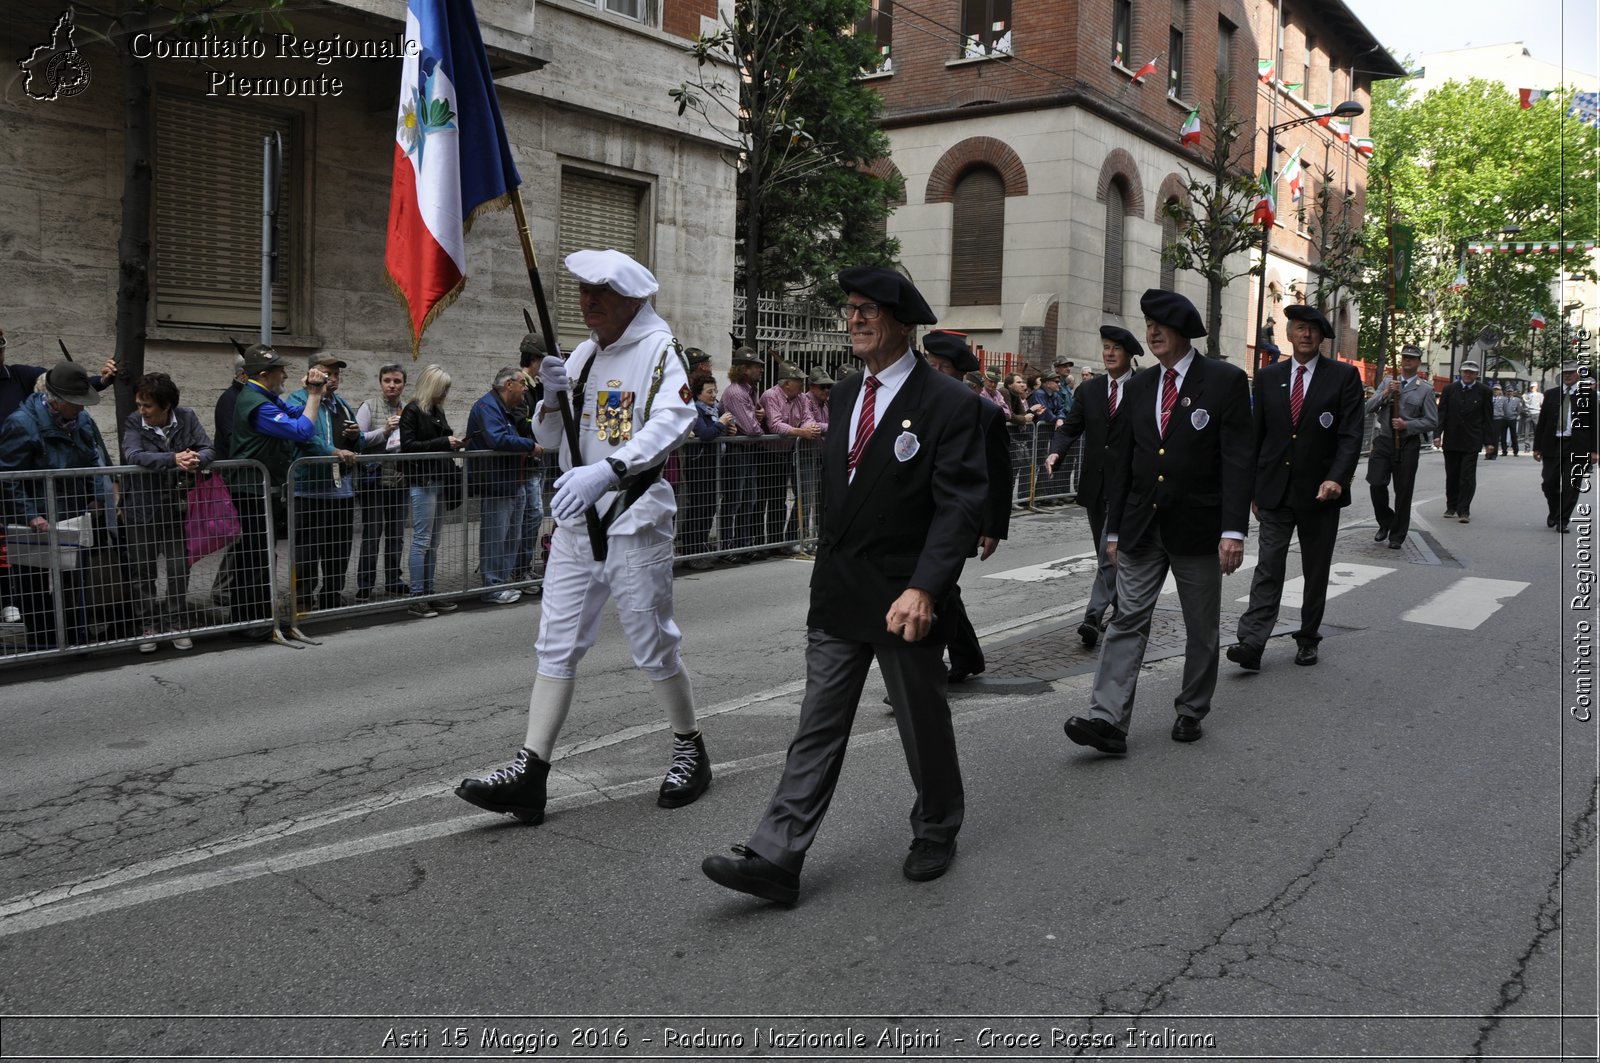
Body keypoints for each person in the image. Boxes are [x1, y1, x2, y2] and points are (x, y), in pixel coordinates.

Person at [701, 266, 986, 904]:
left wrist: (926, 588)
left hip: (903, 595)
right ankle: (777, 855)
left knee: (922, 721)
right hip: (839, 589)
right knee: (818, 723)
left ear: (903, 324)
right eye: (850, 309)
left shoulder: (949, 403)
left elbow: (959, 506)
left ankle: (938, 824)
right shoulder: (848, 391)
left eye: (869, 311)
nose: (854, 319)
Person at [455, 248, 711, 824]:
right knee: (556, 644)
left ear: (631, 299)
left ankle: (690, 745)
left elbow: (675, 421)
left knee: (652, 644)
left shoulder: (657, 351)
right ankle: (532, 769)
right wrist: (550, 395)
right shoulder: (585, 355)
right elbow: (549, 436)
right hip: (574, 524)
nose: (586, 303)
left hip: (631, 518)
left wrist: (610, 469)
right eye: (582, 292)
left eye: (600, 293)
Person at [1061, 289, 1252, 756]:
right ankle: (1107, 719)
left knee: (1201, 626)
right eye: (1148, 325)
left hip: (1198, 528)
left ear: (1183, 331)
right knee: (1127, 618)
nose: (1152, 333)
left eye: (1160, 326)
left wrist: (1233, 530)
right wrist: (1113, 529)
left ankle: (1191, 707)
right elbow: (1125, 461)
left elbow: (1238, 459)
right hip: (1142, 526)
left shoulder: (1224, 381)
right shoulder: (1141, 386)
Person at [1226, 304, 1363, 671]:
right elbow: (1257, 435)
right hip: (1275, 490)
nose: (1305, 335)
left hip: (1321, 493)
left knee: (1316, 570)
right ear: (1288, 333)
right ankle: (1252, 641)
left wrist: (1337, 477)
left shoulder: (1343, 377)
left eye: (1313, 330)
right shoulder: (1270, 377)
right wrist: (1252, 486)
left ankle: (1307, 637)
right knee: (1269, 566)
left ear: (1321, 337)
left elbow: (1350, 435)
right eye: (1299, 328)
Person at [0, 361, 114, 650]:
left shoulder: (82, 420)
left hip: (72, 514)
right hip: (35, 519)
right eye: (75, 403)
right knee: (33, 584)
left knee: (73, 580)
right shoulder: (21, 423)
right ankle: (44, 643)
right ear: (57, 400)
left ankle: (75, 640)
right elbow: (8, 477)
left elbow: (90, 457)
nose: (80, 408)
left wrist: (94, 496)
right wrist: (30, 515)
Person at [1045, 325, 1141, 647]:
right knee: (1110, 552)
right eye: (1106, 347)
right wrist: (1056, 450)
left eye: (1116, 348)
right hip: (1095, 485)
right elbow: (1071, 427)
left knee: (1107, 551)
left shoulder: (1144, 388)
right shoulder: (1090, 390)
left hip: (1127, 486)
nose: (1110, 353)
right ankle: (1122, 609)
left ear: (1129, 354)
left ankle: (1092, 616)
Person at [922, 329, 1009, 684]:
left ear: (950, 368)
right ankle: (967, 655)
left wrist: (993, 527)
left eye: (936, 366)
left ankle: (923, 670)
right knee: (941, 588)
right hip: (923, 515)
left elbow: (999, 475)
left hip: (962, 518)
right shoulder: (920, 403)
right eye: (929, 364)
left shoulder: (985, 412)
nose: (930, 371)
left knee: (935, 587)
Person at [227, 344, 328, 635]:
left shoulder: (265, 396)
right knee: (254, 556)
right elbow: (301, 430)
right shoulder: (257, 403)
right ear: (264, 374)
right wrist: (312, 395)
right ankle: (249, 621)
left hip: (261, 487)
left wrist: (315, 394)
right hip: (250, 489)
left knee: (261, 555)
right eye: (280, 370)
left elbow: (299, 414)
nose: (285, 374)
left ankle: (259, 617)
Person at [122, 372, 215, 653]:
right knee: (143, 571)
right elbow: (133, 455)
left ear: (166, 406)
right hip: (142, 507)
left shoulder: (186, 417)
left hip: (178, 508)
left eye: (147, 406)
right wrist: (174, 459)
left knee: (178, 568)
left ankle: (177, 622)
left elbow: (209, 447)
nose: (142, 410)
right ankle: (148, 625)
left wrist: (195, 459)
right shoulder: (133, 422)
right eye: (139, 404)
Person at [284, 353, 360, 613]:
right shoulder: (297, 399)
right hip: (309, 488)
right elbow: (304, 437)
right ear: (312, 373)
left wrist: (355, 437)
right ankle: (302, 597)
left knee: (338, 548)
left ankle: (332, 593)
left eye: (337, 374)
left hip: (341, 490)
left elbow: (354, 445)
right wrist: (332, 451)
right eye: (328, 373)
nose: (333, 378)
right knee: (306, 547)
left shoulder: (343, 405)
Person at [467, 366, 540, 604]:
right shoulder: (488, 406)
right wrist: (528, 445)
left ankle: (502, 581)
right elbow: (496, 438)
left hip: (512, 481)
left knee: (511, 536)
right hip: (496, 483)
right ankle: (492, 587)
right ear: (509, 385)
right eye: (522, 384)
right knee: (495, 537)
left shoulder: (503, 408)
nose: (525, 389)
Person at [399, 363, 467, 616]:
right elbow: (408, 446)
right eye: (443, 389)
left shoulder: (436, 410)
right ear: (433, 387)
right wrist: (443, 442)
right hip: (423, 481)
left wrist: (453, 444)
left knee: (433, 541)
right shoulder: (413, 410)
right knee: (422, 540)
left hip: (438, 479)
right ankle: (418, 594)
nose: (445, 394)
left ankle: (428, 591)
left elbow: (429, 444)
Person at [1365, 347, 1438, 550]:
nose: (1407, 361)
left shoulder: (1425, 389)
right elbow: (1369, 407)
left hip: (1407, 444)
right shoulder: (1388, 382)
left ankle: (1397, 535)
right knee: (1376, 483)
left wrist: (1408, 425)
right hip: (1384, 440)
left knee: (1403, 491)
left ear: (1418, 362)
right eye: (1405, 357)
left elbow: (1431, 421)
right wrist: (1387, 393)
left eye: (1412, 359)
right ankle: (1386, 521)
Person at [353, 363, 409, 601]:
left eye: (397, 381)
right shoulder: (368, 406)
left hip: (399, 481)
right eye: (387, 380)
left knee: (396, 534)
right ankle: (365, 585)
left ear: (403, 384)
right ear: (380, 383)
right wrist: (385, 430)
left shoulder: (408, 410)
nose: (392, 385)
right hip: (374, 480)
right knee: (372, 533)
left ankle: (393, 581)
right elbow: (359, 439)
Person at [760, 363, 820, 553]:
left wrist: (811, 427)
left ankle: (779, 542)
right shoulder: (771, 396)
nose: (801, 384)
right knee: (764, 499)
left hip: (787, 452)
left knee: (781, 499)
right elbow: (775, 425)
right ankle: (760, 543)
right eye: (798, 381)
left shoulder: (801, 398)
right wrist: (802, 432)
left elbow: (807, 417)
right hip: (767, 453)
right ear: (786, 383)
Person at [1533, 363, 1598, 532]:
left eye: (1571, 373)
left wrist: (1595, 450)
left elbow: (1595, 423)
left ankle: (1563, 520)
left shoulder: (1589, 395)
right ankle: (1554, 511)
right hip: (1552, 444)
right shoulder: (1551, 394)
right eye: (1565, 373)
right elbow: (1543, 422)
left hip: (1577, 446)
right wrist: (1537, 446)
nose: (1567, 376)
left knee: (1571, 485)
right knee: (1548, 482)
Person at [681, 374, 733, 566]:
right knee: (698, 508)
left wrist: (728, 429)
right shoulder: (696, 410)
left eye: (715, 391)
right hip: (700, 464)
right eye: (709, 391)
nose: (713, 395)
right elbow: (705, 434)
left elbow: (718, 431)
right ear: (698, 393)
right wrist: (721, 424)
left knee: (710, 507)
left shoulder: (714, 408)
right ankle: (691, 551)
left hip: (714, 465)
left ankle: (701, 548)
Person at [509, 333, 548, 584]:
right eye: (544, 361)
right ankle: (519, 568)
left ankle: (522, 567)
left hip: (536, 461)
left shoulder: (536, 384)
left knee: (531, 515)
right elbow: (523, 423)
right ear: (534, 359)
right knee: (531, 514)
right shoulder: (518, 383)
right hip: (526, 461)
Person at [1434, 359, 1494, 523]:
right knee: (1452, 474)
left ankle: (1464, 510)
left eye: (1471, 372)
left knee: (1467, 476)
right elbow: (1442, 414)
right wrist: (1437, 434)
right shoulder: (1449, 389)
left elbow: (1488, 417)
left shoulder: (1484, 391)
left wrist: (1490, 442)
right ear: (1460, 373)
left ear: (1476, 375)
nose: (1467, 375)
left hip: (1472, 440)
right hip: (1452, 439)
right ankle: (1451, 506)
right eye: (1465, 372)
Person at [719, 348, 764, 556]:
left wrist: (758, 418)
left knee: (749, 497)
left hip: (747, 451)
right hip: (737, 451)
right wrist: (758, 423)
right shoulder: (736, 392)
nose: (761, 369)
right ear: (745, 369)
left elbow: (754, 422)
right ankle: (728, 546)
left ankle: (743, 543)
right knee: (734, 499)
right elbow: (751, 428)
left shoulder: (750, 390)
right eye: (757, 366)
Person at [1500, 387, 1523, 457]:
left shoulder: (1517, 400)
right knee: (1503, 436)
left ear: (1513, 392)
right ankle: (1504, 451)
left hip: (1512, 419)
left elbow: (1519, 409)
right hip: (1504, 419)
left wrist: (1517, 416)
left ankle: (1515, 451)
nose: (1509, 393)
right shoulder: (1504, 400)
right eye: (1508, 392)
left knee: (1513, 435)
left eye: (1510, 392)